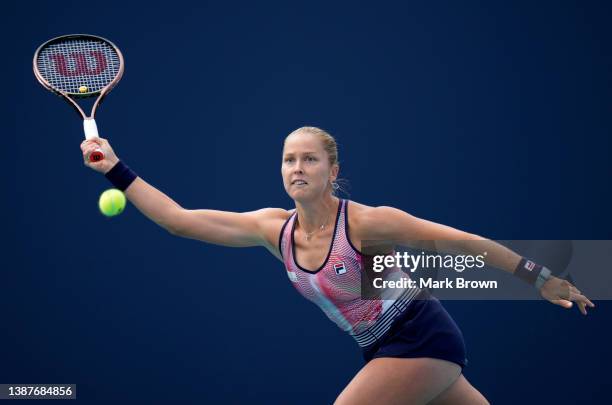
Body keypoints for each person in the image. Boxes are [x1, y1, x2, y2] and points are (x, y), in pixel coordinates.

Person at [81, 126, 594, 404]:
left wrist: (542, 280)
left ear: (333, 171)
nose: (297, 168)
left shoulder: (368, 224)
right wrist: (115, 169)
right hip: (380, 352)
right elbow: (179, 220)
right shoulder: (272, 229)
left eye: (309, 159)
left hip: (422, 340)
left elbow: (467, 242)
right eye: (288, 159)